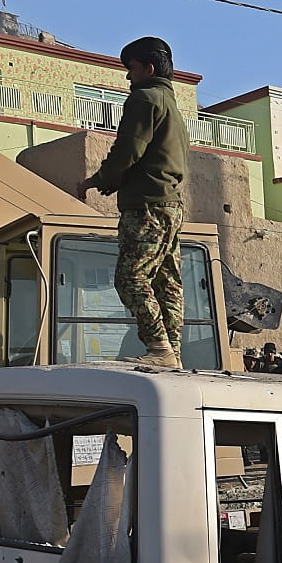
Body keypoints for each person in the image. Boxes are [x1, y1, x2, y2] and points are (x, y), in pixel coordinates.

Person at [81, 37, 189, 367]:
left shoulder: (144, 98)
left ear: (149, 68)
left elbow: (127, 151)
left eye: (131, 69)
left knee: (130, 278)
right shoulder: (171, 105)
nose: (128, 77)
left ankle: (159, 348)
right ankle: (172, 353)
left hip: (147, 207)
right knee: (166, 282)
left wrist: (97, 180)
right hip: (170, 206)